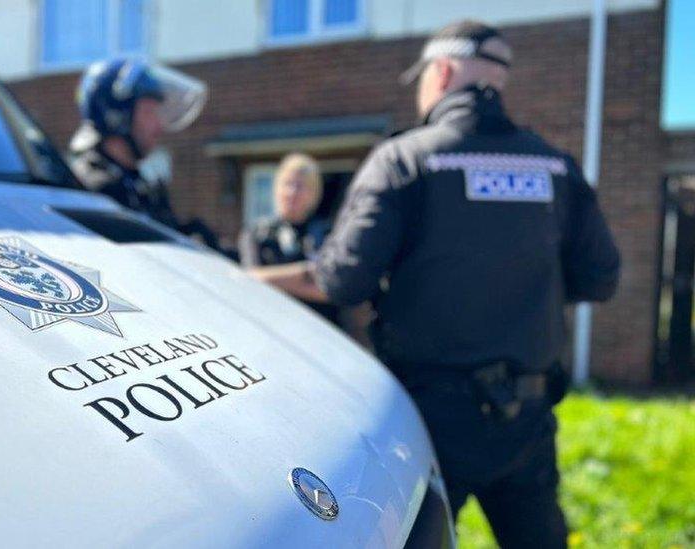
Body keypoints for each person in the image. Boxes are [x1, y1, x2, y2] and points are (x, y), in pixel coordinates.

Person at [249, 20, 620, 548]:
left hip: (432, 418)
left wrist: (240, 277)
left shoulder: (404, 160)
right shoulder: (555, 166)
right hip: (528, 416)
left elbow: (340, 279)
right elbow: (601, 279)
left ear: (441, 72)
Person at [69, 57, 219, 248]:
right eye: (149, 112)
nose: (158, 125)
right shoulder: (90, 190)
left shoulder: (138, 186)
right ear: (116, 116)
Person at [239, 153, 338, 323]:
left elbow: (332, 286)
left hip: (321, 330)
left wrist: (271, 278)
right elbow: (250, 281)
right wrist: (307, 274)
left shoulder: (328, 233)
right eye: (288, 184)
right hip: (276, 328)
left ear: (314, 193)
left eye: (300, 186)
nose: (292, 192)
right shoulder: (257, 234)